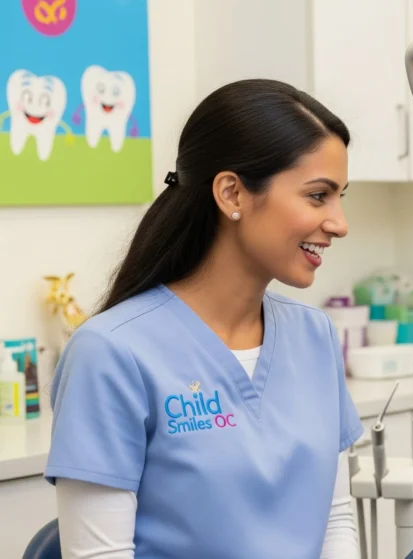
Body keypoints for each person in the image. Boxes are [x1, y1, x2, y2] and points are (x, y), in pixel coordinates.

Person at [45, 79, 363, 558]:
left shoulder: (313, 334)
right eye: (318, 196)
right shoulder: (111, 352)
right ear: (232, 193)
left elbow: (335, 517)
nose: (339, 222)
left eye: (339, 197)